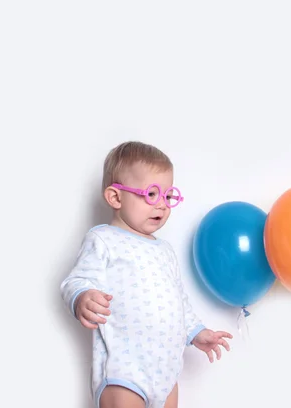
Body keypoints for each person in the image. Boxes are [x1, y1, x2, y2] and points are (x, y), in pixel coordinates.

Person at [60, 141, 233, 408]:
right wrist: (83, 296)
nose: (162, 205)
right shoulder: (104, 239)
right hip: (124, 370)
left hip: (166, 372)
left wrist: (197, 332)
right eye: (152, 194)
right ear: (116, 197)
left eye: (168, 196)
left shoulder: (164, 250)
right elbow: (77, 280)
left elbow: (178, 302)